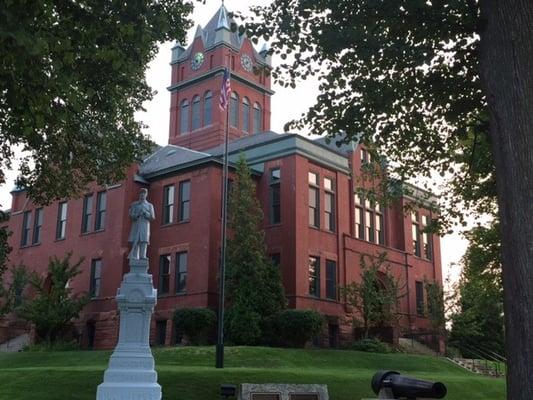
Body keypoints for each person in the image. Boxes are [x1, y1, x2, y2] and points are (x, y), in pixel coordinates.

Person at [128, 188, 155, 259]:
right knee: (136, 241)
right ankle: (134, 256)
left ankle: (143, 256)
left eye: (144, 193)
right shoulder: (134, 205)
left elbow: (152, 217)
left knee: (144, 241)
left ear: (146, 195)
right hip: (136, 225)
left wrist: (145, 213)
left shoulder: (149, 205)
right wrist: (137, 214)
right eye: (141, 193)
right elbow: (131, 215)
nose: (142, 195)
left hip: (145, 225)